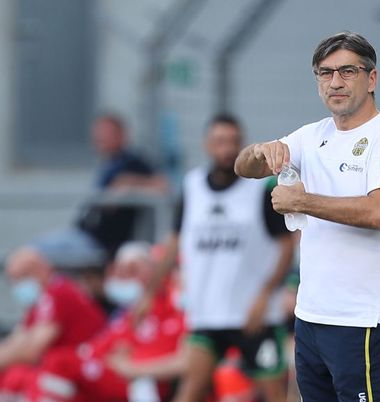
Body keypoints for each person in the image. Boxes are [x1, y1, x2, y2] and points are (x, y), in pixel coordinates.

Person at [234, 31, 380, 402]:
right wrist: (260, 150)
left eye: (347, 71)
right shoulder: (311, 135)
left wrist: (303, 202)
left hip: (362, 319)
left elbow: (379, 211)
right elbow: (243, 168)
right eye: (325, 72)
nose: (335, 82)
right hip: (311, 316)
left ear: (372, 78)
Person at [149, 114, 295, 402]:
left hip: (254, 315)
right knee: (190, 388)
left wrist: (266, 295)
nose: (226, 149)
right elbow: (174, 242)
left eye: (232, 142)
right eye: (219, 141)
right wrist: (149, 293)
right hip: (208, 310)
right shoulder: (192, 187)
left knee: (273, 392)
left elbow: (286, 246)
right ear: (207, 144)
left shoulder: (259, 189)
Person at [29, 241, 187, 402]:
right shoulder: (139, 308)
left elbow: (185, 360)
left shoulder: (175, 309)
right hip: (112, 368)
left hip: (139, 380)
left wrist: (133, 368)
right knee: (34, 375)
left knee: (58, 364)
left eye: (175, 268)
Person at [32, 113, 168, 269]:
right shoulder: (108, 163)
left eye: (105, 134)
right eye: (97, 133)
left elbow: (162, 186)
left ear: (121, 135)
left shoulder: (132, 161)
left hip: (101, 243)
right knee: (32, 251)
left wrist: (128, 184)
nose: (99, 138)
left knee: (34, 253)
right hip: (83, 234)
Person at [0, 248, 106, 399]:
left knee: (19, 379)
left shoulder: (60, 293)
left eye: (24, 276)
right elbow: (18, 341)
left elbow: (31, 350)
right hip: (63, 371)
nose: (19, 285)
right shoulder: (40, 301)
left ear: (43, 269)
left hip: (81, 374)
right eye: (15, 280)